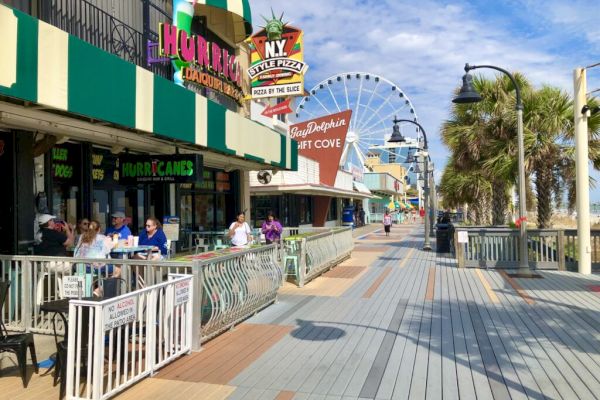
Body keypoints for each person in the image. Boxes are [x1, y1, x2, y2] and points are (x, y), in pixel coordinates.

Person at [74, 220, 117, 295]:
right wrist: (114, 241)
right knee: (118, 269)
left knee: (103, 270)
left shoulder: (82, 236)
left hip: (81, 266)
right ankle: (100, 289)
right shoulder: (103, 238)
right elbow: (110, 247)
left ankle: (96, 289)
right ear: (99, 229)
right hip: (96, 267)